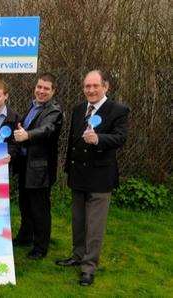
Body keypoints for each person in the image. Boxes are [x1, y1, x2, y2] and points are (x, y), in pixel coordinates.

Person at [56, 70, 130, 286]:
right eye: (87, 86)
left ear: (105, 86)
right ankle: (77, 255)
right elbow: (71, 140)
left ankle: (89, 267)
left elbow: (120, 137)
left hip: (100, 177)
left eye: (95, 86)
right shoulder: (79, 109)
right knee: (78, 221)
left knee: (95, 225)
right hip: (78, 175)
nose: (90, 90)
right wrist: (68, 168)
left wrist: (99, 139)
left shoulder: (118, 110)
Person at [12, 73, 63, 260]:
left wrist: (28, 135)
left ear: (53, 91)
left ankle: (41, 247)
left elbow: (47, 129)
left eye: (46, 88)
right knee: (25, 204)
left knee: (39, 208)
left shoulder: (54, 110)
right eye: (39, 87)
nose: (41, 91)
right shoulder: (33, 106)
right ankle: (25, 236)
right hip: (26, 165)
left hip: (40, 168)